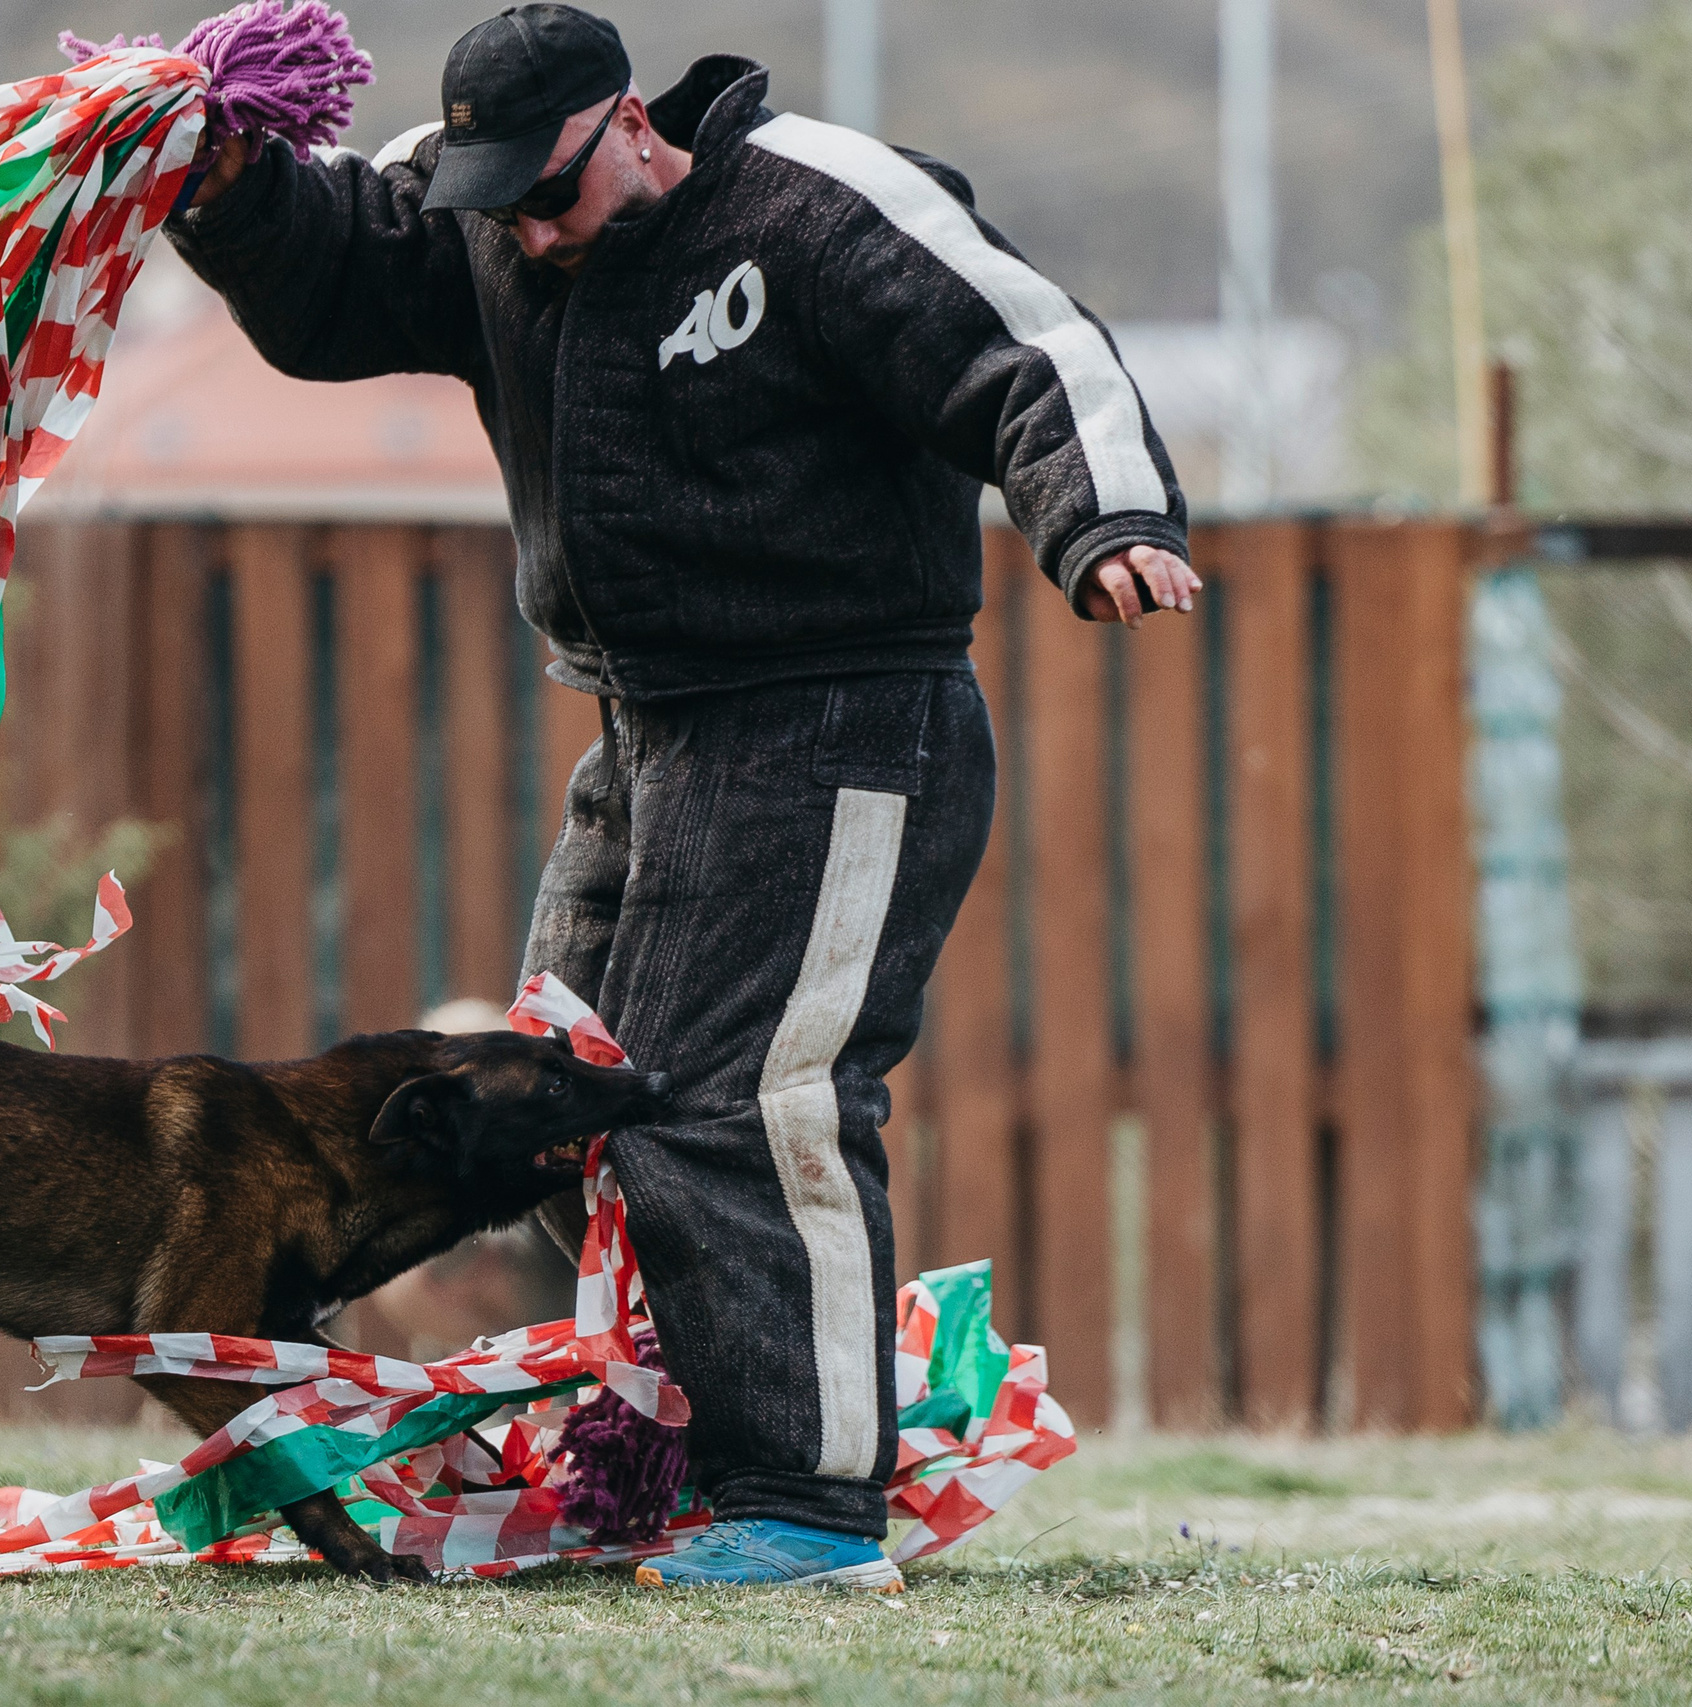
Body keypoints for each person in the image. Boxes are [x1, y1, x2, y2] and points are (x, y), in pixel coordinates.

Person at [168, 3, 1196, 1591]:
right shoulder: (488, 211)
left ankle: (808, 1499)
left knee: (749, 1099)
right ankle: (682, 1442)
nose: (525, 228)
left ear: (631, 123)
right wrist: (226, 180)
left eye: (551, 194)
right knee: (557, 1108)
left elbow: (1026, 345)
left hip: (848, 723)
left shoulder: (811, 197)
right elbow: (332, 279)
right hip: (651, 732)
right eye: (494, 202)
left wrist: (1105, 518)